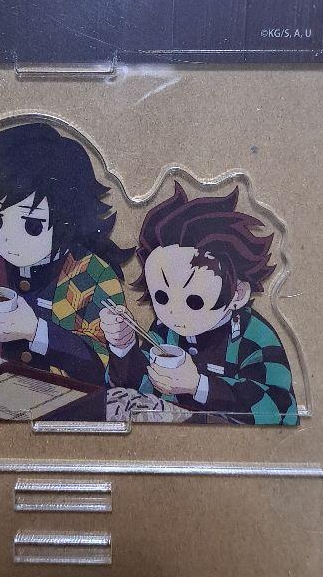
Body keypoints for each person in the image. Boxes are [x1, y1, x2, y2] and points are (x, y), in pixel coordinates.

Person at [0, 122, 132, 386]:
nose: (8, 238)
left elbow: (107, 373)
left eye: (32, 225)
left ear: (67, 217)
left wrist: (36, 331)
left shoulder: (93, 274)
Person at [98, 182, 298, 425]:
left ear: (237, 294)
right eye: (162, 297)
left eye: (194, 300)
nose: (173, 311)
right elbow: (135, 388)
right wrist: (123, 346)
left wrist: (198, 385)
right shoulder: (165, 329)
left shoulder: (255, 336)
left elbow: (280, 411)